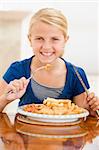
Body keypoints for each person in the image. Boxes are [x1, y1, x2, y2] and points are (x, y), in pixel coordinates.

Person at [0, 8, 99, 116]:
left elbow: (84, 115)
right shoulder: (17, 70)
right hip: (25, 131)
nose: (46, 47)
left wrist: (93, 109)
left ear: (65, 40)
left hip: (65, 132)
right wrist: (5, 98)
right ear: (30, 40)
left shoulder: (76, 75)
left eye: (55, 39)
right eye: (39, 38)